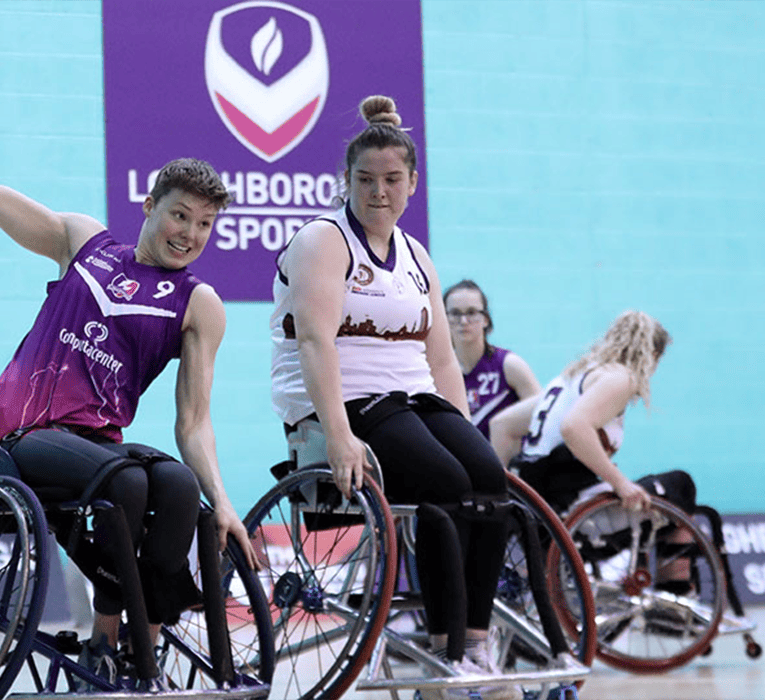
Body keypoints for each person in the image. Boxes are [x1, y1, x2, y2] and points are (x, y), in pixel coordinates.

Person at [0, 56, 255, 680]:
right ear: (149, 205)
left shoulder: (198, 304)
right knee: (127, 484)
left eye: (205, 225)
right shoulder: (84, 243)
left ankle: (136, 645)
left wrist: (223, 499)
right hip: (23, 440)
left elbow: (193, 423)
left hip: (100, 445)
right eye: (180, 215)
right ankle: (105, 634)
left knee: (177, 485)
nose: (190, 234)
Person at [270, 95, 518, 700]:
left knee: (487, 479)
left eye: (390, 179)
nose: (378, 191)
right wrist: (337, 435)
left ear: (412, 183)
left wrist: (462, 431)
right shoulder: (322, 242)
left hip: (411, 400)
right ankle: (443, 649)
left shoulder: (416, 257)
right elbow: (314, 347)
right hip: (346, 404)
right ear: (346, 181)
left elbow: (439, 361)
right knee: (444, 484)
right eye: (365, 180)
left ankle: (476, 641)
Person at [490, 310, 694, 517]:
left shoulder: (572, 377)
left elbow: (501, 424)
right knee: (682, 484)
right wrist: (620, 482)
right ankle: (685, 550)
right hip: (567, 499)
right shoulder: (621, 377)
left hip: (535, 494)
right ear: (651, 356)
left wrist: (498, 492)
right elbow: (574, 427)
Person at [444, 279, 541, 441]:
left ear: (486, 319)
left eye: (471, 312)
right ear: (444, 319)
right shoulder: (437, 371)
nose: (463, 321)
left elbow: (541, 413)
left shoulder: (509, 365)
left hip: (505, 461)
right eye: (455, 313)